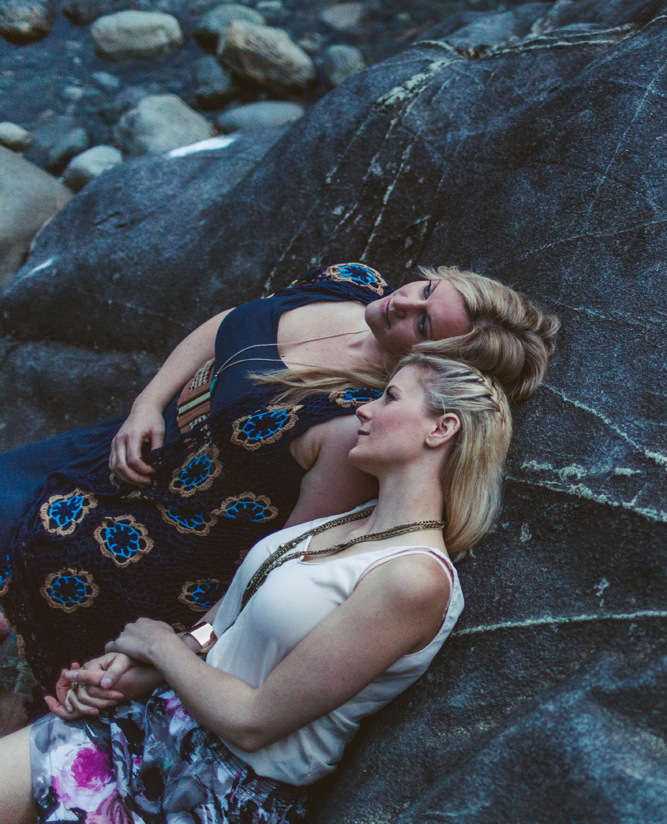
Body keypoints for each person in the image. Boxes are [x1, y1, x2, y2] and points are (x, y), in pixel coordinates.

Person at [0, 354, 510, 824]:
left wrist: (157, 643)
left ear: (442, 427)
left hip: (212, 800)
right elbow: (228, 629)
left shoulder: (415, 580)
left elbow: (255, 721)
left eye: (389, 398)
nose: (364, 408)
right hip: (155, 725)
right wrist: (139, 670)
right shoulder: (351, 521)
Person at [0, 261, 558, 698]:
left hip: (152, 532)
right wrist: (147, 404)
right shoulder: (353, 284)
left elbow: (279, 555)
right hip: (130, 443)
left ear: (435, 358)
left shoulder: (354, 420)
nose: (403, 302)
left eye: (423, 322)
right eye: (427, 288)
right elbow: (229, 324)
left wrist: (188, 644)